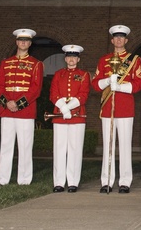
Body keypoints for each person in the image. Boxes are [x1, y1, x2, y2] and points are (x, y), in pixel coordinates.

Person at [92, 24, 141, 193]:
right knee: (108, 146)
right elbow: (95, 83)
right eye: (116, 37)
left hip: (125, 108)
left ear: (126, 40)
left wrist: (121, 87)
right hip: (108, 108)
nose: (119, 40)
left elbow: (140, 82)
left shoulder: (134, 60)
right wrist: (107, 82)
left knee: (124, 146)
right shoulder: (103, 60)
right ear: (112, 40)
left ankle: (125, 181)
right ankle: (106, 180)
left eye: (122, 37)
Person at [0, 28, 44, 185]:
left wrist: (19, 104)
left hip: (25, 110)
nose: (23, 43)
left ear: (29, 44)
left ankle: (24, 179)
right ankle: (3, 179)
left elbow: (36, 89)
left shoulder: (36, 64)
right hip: (6, 109)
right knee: (6, 146)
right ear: (16, 42)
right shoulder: (6, 63)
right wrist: (7, 102)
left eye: (26, 41)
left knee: (25, 146)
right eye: (20, 40)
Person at [49, 44, 91, 193]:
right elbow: (53, 93)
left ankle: (73, 181)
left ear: (78, 59)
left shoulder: (84, 75)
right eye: (69, 56)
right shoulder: (58, 74)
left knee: (75, 149)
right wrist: (63, 108)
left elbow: (83, 94)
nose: (71, 59)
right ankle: (59, 182)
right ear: (65, 59)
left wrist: (70, 107)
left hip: (77, 116)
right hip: (60, 116)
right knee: (59, 149)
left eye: (74, 57)